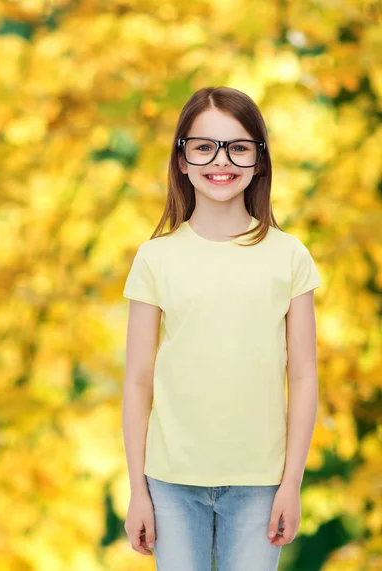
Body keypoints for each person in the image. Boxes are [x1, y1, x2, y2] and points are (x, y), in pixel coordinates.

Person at [121, 86, 321, 571]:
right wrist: (137, 490)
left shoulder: (288, 255)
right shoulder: (156, 258)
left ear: (258, 160)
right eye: (204, 145)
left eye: (238, 146)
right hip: (170, 482)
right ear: (183, 159)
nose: (221, 160)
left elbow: (304, 377)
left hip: (260, 483)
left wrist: (291, 483)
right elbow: (137, 380)